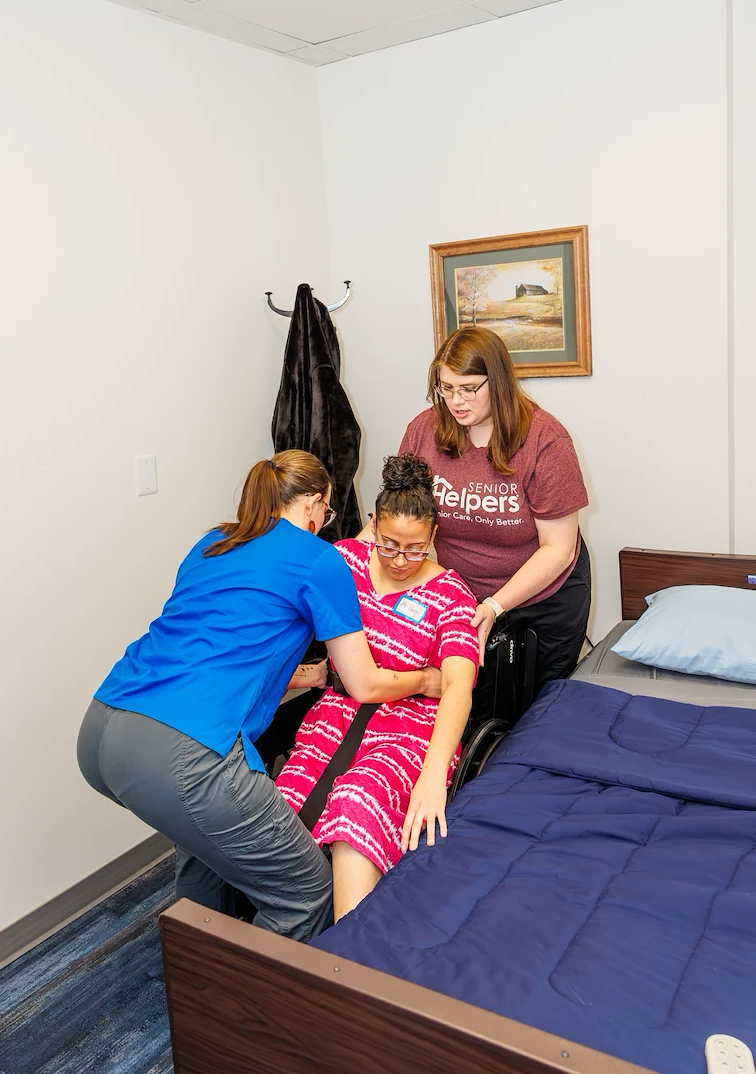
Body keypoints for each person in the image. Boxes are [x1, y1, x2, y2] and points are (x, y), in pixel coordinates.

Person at [76, 450, 442, 943]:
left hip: (104, 728)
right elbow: (365, 685)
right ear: (312, 503)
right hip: (183, 751)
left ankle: (198, 966)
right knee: (308, 893)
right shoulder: (321, 559)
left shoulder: (214, 541)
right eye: (327, 511)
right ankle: (246, 992)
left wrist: (310, 676)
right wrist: (425, 680)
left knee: (206, 852)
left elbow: (216, 651)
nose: (325, 521)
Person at [276, 454, 479, 922]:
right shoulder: (343, 562)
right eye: (389, 545)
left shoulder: (452, 595)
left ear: (434, 536)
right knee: (283, 809)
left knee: (357, 803)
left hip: (411, 732)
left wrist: (434, 775)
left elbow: (457, 687)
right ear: (373, 524)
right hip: (335, 716)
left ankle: (350, 949)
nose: (401, 561)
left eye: (416, 549)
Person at [399, 326, 590, 693]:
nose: (456, 401)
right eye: (446, 388)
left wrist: (495, 605)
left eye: (469, 388)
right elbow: (399, 516)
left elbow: (558, 548)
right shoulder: (425, 430)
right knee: (474, 703)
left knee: (538, 706)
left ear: (498, 382)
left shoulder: (545, 439)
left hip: (544, 598)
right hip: (463, 595)